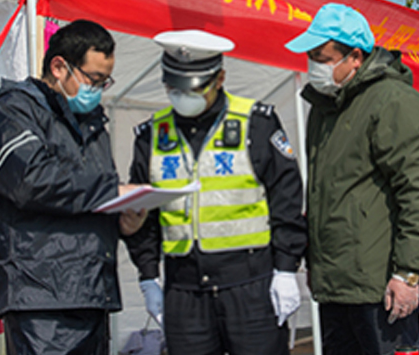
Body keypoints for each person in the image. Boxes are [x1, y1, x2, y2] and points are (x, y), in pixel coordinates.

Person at [124, 29, 307, 355]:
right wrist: (148, 275)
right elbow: (141, 212)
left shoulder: (256, 124)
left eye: (193, 88)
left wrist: (286, 268)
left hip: (250, 286)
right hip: (184, 291)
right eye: (173, 87)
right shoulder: (152, 135)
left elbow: (287, 200)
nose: (182, 96)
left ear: (219, 78)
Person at [0, 19, 145, 355]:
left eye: (105, 81)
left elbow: (88, 196)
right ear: (58, 67)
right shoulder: (13, 111)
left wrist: (124, 220)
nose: (98, 89)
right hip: (40, 295)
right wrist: (112, 192)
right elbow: (31, 180)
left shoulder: (92, 124)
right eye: (93, 79)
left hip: (92, 290)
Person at [284, 3, 419, 355]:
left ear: (355, 57)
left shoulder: (393, 102)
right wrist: (314, 264)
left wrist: (408, 272)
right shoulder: (325, 108)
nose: (313, 66)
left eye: (321, 57)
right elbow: (325, 195)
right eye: (310, 57)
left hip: (381, 286)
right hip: (336, 283)